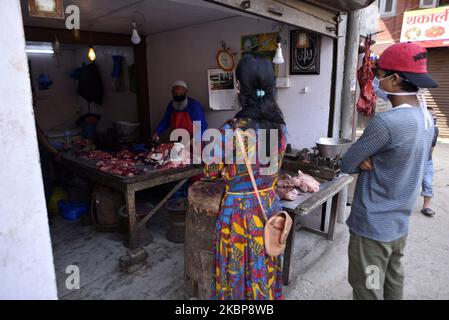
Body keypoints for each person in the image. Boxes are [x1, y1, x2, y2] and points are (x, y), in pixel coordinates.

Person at [341, 42, 438, 300]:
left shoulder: (387, 122)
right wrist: (370, 154)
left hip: (374, 226)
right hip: (399, 222)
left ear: (395, 80)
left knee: (369, 286)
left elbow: (347, 163)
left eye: (380, 74)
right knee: (393, 277)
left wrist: (364, 155)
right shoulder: (426, 118)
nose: (376, 79)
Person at [204, 55, 287, 300]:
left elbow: (210, 172)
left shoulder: (228, 132)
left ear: (239, 87)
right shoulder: (279, 126)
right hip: (269, 208)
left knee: (235, 271)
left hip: (238, 215)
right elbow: (272, 167)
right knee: (265, 265)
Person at [421, 107, 439, 217]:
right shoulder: (418, 127)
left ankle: (426, 207)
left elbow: (431, 148)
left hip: (427, 160)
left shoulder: (435, 130)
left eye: (435, 115)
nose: (434, 117)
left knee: (427, 182)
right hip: (413, 159)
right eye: (431, 115)